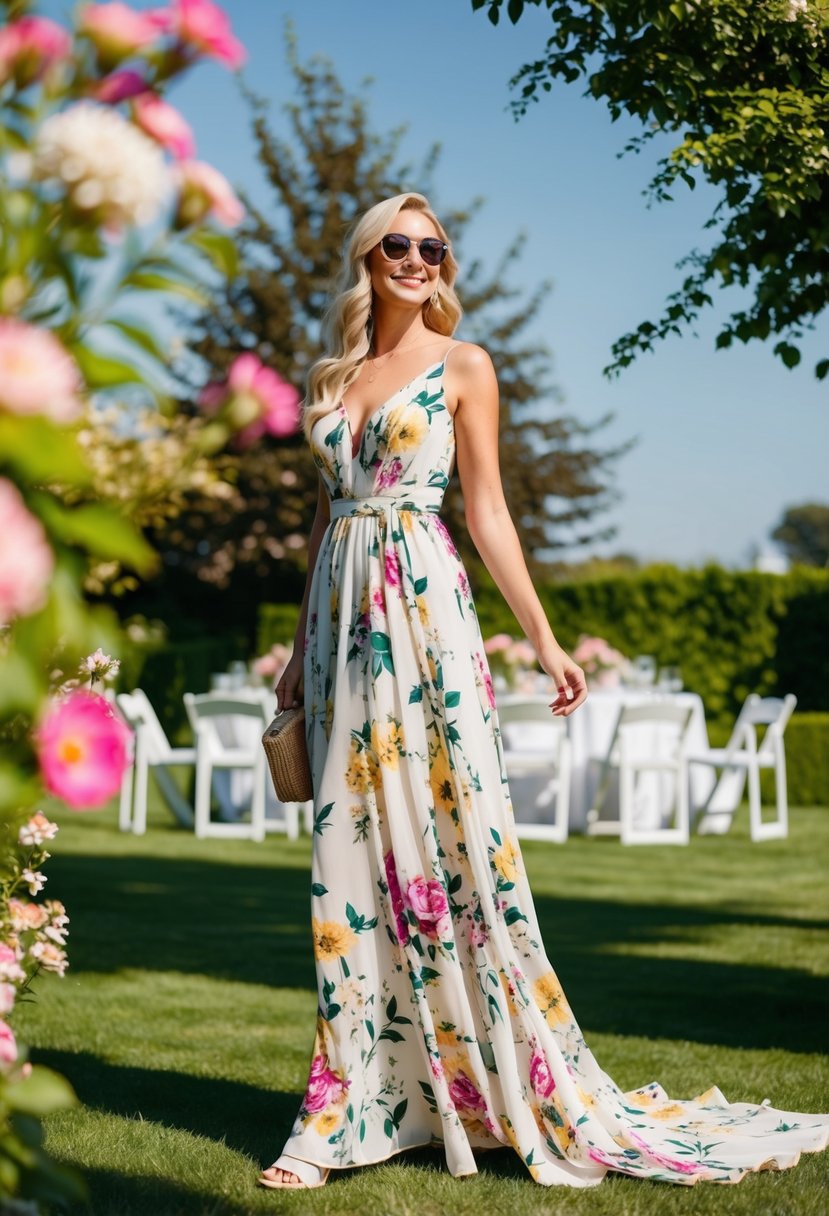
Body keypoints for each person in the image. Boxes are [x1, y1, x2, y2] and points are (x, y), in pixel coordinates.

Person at [258, 193, 829, 1191]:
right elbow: (322, 523)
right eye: (398, 244)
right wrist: (295, 645)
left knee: (456, 847)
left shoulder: (463, 365)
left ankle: (483, 1088)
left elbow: (487, 511)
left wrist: (546, 639)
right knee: (347, 855)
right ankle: (346, 1104)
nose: (418, 260)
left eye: (432, 248)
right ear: (366, 257)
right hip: (342, 627)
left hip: (423, 613)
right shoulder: (334, 377)